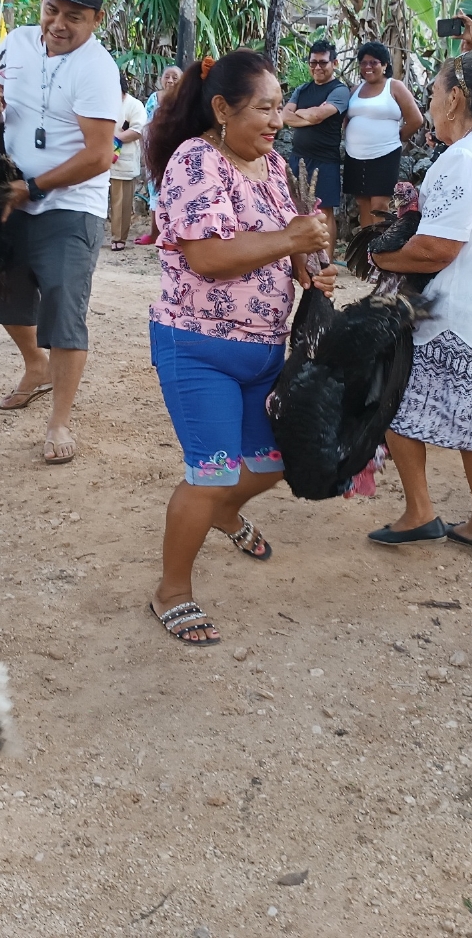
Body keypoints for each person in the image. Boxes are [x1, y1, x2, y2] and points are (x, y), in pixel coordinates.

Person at [145, 50, 335, 644]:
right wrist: (288, 239)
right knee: (211, 472)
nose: (277, 120)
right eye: (263, 108)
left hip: (264, 349)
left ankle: (226, 512)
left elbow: (291, 247)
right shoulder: (196, 161)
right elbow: (206, 258)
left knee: (274, 461)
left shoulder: (274, 166)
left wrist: (311, 268)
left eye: (281, 108)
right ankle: (171, 590)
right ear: (223, 109)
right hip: (197, 346)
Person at [368, 51, 472, 558]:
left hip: (457, 320)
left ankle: (420, 512)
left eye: (436, 92)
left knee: (391, 405)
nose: (431, 102)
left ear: (456, 98)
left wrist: (380, 252)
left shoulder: (462, 157)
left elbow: (439, 247)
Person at [0, 0, 121, 465]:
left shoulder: (97, 69)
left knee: (63, 305)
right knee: (4, 291)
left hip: (70, 204)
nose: (58, 24)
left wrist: (32, 188)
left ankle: (59, 421)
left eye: (73, 17)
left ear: (96, 19)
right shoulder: (16, 43)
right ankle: (36, 366)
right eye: (51, 10)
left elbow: (101, 154)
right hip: (11, 193)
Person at [344, 41, 424, 225]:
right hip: (355, 155)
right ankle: (365, 250)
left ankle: (380, 250)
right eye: (364, 63)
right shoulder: (355, 90)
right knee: (362, 203)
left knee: (380, 205)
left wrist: (396, 138)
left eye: (374, 62)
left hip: (384, 154)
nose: (368, 67)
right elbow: (346, 119)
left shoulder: (394, 87)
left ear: (385, 64)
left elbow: (416, 120)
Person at [280, 38, 350, 240]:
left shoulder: (339, 90)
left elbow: (317, 116)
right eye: (313, 63)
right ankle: (303, 263)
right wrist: (309, 115)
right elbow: (285, 116)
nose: (317, 67)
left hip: (325, 160)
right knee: (296, 209)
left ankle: (326, 265)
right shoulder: (302, 89)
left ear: (334, 64)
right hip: (298, 158)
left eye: (323, 62)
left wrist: (303, 115)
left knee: (324, 212)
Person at [135, 64, 183, 247]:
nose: (170, 80)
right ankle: (155, 233)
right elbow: (145, 125)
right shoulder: (154, 99)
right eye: (167, 76)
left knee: (176, 192)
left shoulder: (185, 100)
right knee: (155, 191)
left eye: (175, 77)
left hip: (177, 152)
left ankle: (175, 234)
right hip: (155, 151)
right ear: (161, 79)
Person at [109, 69, 148, 249]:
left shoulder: (135, 105)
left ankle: (119, 238)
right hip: (100, 159)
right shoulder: (104, 101)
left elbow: (137, 131)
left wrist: (114, 139)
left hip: (123, 159)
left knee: (121, 202)